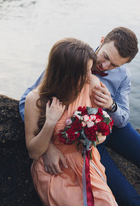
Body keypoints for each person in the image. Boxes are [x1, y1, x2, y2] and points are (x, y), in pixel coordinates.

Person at [20, 27, 140, 206]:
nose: (104, 66)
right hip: (84, 139)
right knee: (125, 194)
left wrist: (111, 105)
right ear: (102, 41)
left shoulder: (123, 75)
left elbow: (123, 118)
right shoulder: (71, 60)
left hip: (114, 128)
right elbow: (27, 101)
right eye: (106, 57)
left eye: (114, 65)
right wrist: (47, 145)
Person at [24, 38, 117, 205]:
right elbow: (33, 152)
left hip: (85, 162)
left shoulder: (91, 84)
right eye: (86, 71)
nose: (90, 75)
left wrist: (94, 135)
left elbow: (101, 134)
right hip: (54, 167)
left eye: (90, 69)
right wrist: (50, 122)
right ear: (67, 73)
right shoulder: (35, 99)